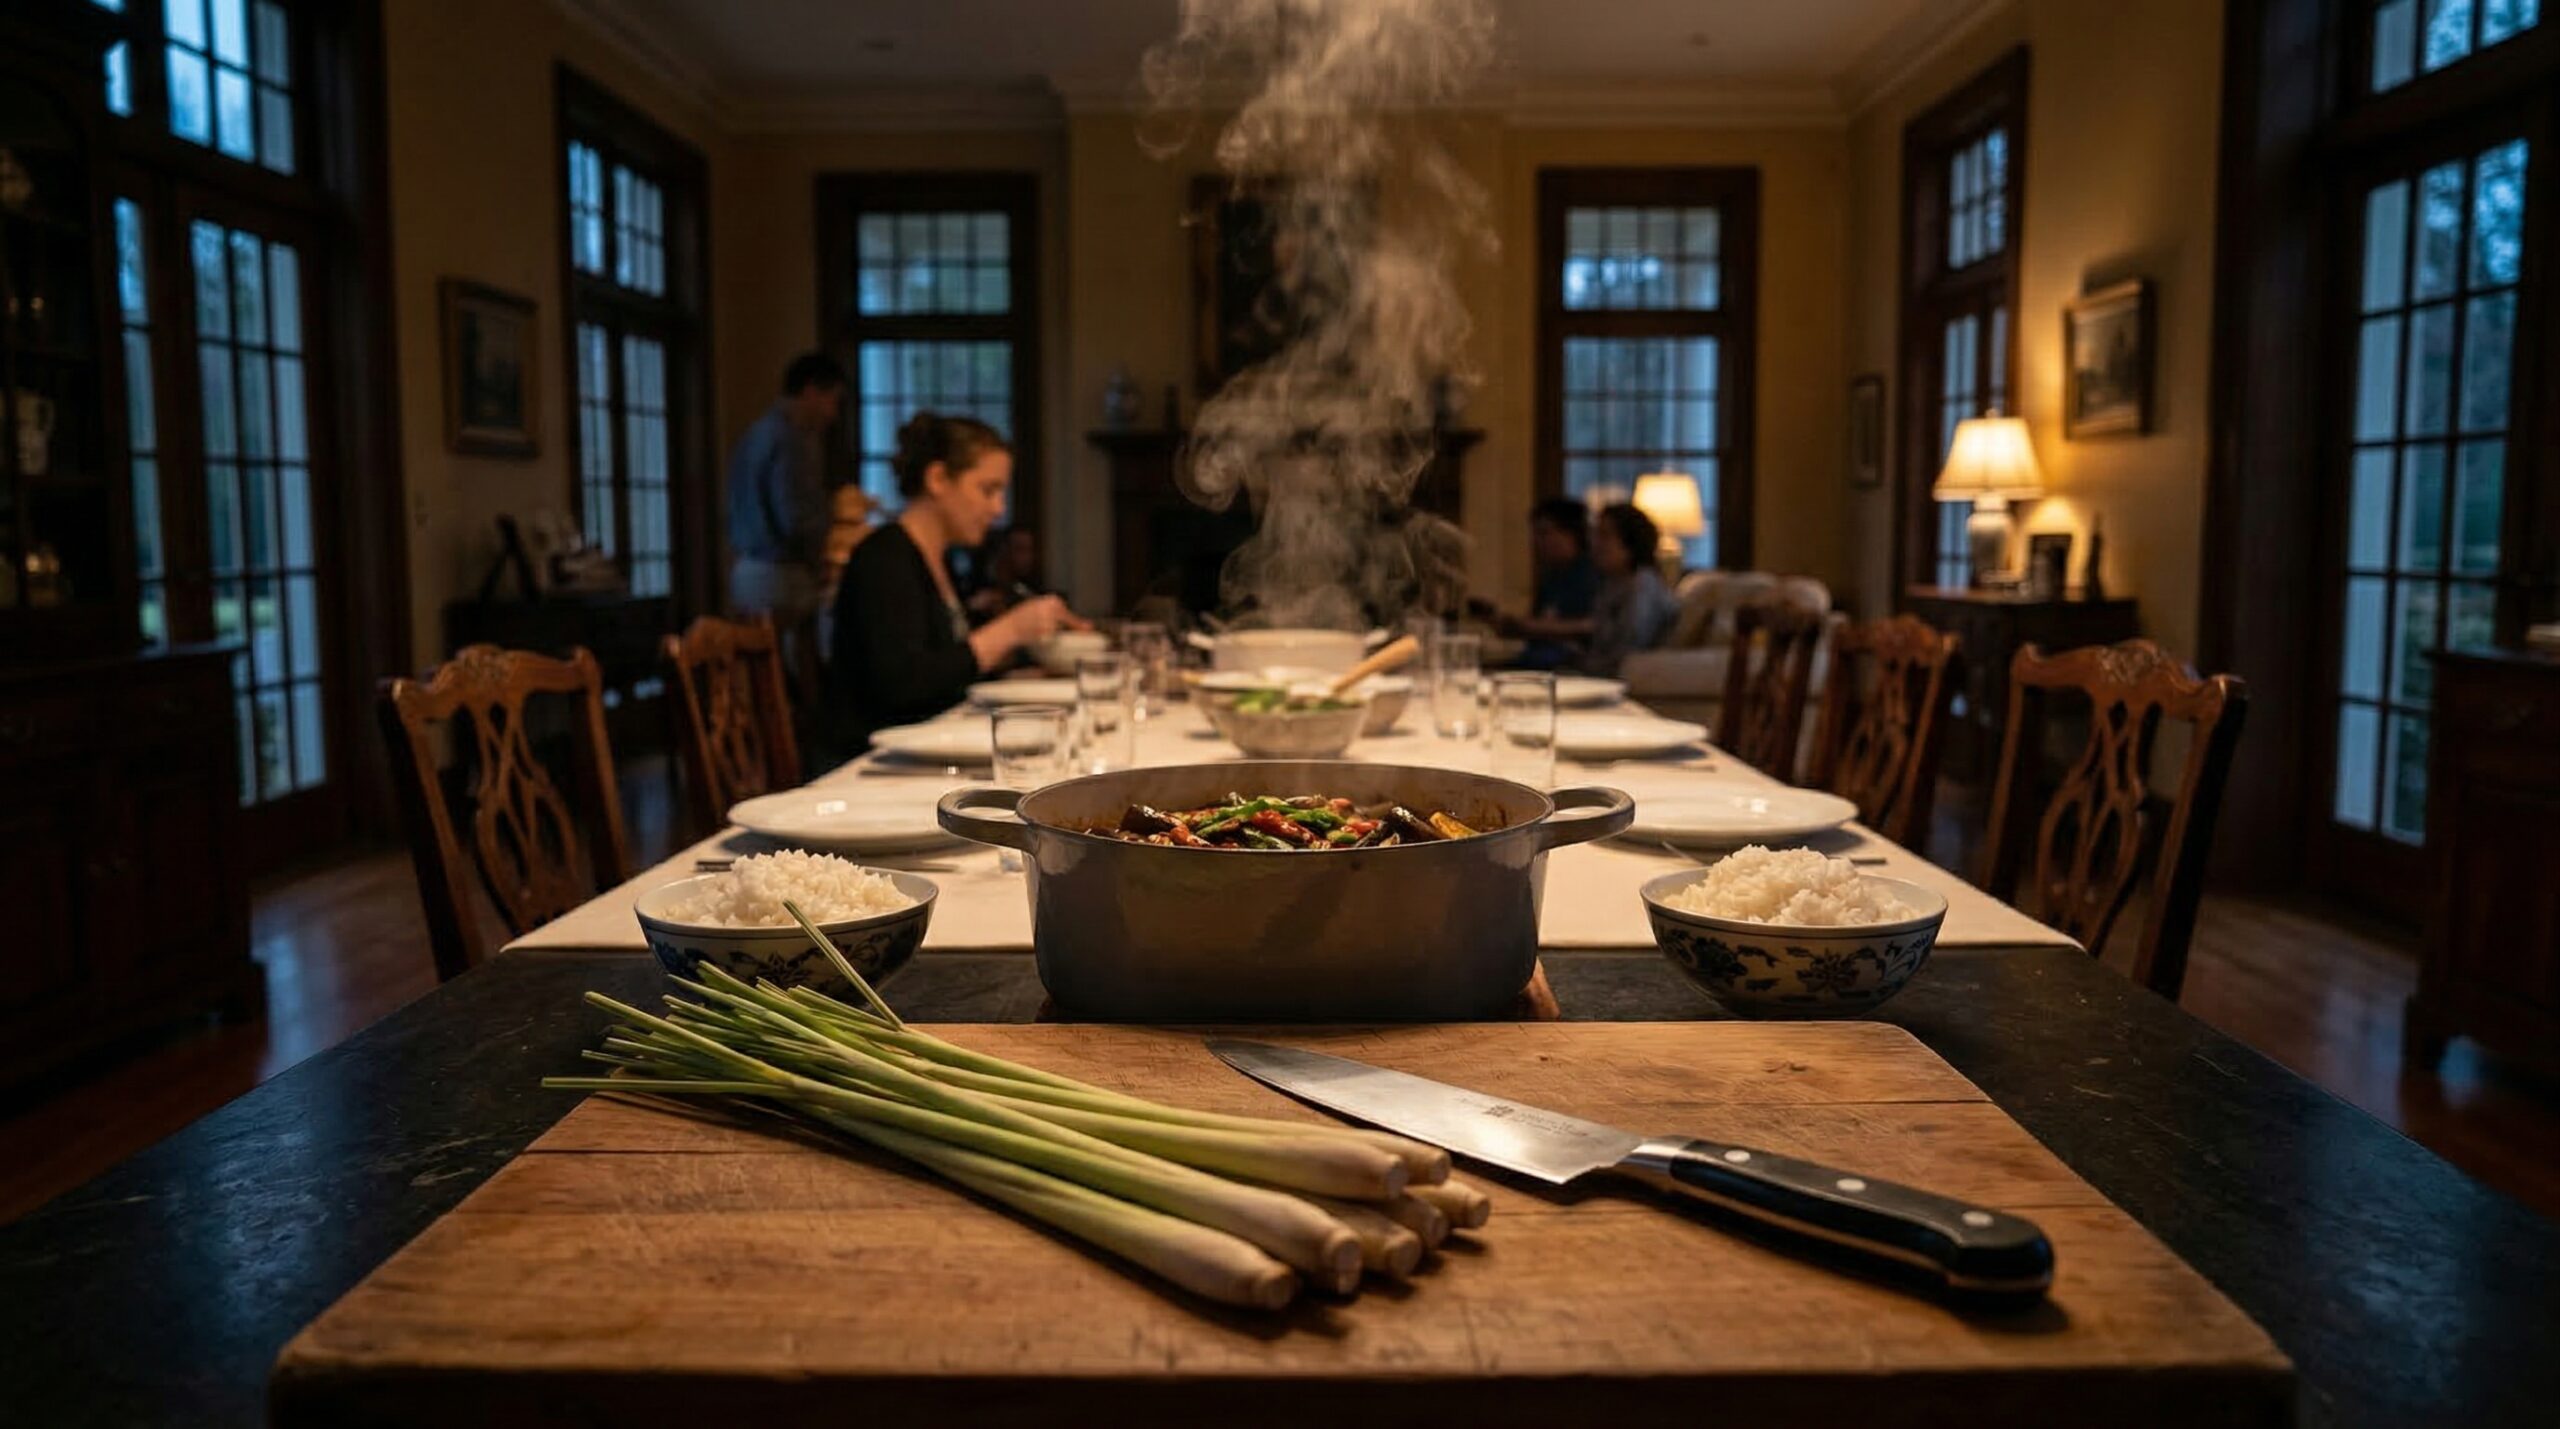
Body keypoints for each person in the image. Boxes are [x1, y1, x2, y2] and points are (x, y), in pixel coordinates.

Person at [827, 413, 1085, 747]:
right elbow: (902, 685)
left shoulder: (939, 559)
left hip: (918, 746)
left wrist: (1028, 668)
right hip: (864, 760)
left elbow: (945, 674)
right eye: (988, 490)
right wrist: (1010, 630)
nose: (998, 508)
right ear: (937, 479)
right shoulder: (884, 558)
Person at [727, 353, 846, 701]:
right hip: (782, 575)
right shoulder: (791, 440)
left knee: (760, 681)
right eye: (831, 400)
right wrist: (820, 558)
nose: (832, 414)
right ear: (811, 391)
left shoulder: (754, 434)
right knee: (793, 680)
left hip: (748, 570)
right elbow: (797, 519)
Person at [1497, 497, 1601, 668]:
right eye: (1534, 534)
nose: (1536, 541)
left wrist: (1533, 627)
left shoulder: (1594, 574)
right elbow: (1538, 620)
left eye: (1544, 533)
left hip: (1572, 663)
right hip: (1537, 656)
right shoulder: (1551, 575)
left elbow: (1594, 627)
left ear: (1571, 534)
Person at [1581, 503, 1680, 677]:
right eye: (1595, 534)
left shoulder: (1643, 586)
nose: (1594, 544)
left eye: (1605, 536)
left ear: (1630, 543)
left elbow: (1630, 648)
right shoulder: (1611, 584)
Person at [962, 525, 1046, 625]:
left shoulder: (1028, 585)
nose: (1028, 557)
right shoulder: (975, 582)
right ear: (1004, 550)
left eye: (1030, 550)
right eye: (1021, 550)